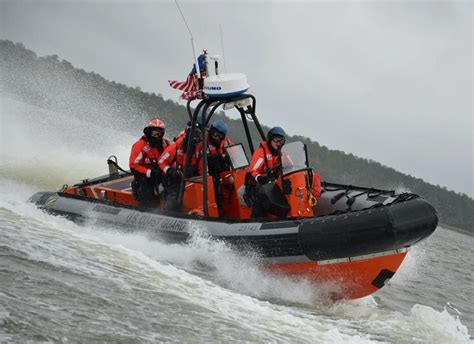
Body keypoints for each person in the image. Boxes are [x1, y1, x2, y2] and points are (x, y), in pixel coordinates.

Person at [245, 126, 288, 218]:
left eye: (281, 141)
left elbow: (290, 166)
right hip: (256, 185)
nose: (278, 144)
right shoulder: (261, 153)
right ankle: (256, 222)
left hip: (273, 185)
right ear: (270, 140)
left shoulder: (283, 154)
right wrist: (259, 177)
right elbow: (252, 172)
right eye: (276, 140)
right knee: (261, 197)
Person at [158, 124, 203, 211]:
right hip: (174, 180)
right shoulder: (175, 147)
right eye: (192, 139)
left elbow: (203, 170)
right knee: (173, 202)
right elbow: (161, 162)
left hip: (190, 180)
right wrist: (170, 171)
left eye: (196, 140)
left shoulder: (199, 151)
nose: (193, 142)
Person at [129, 118, 170, 207]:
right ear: (149, 132)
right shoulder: (140, 145)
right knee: (148, 201)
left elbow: (171, 160)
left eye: (160, 133)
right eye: (155, 133)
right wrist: (150, 173)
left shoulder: (166, 144)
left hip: (162, 178)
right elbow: (133, 166)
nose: (157, 135)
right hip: (145, 180)